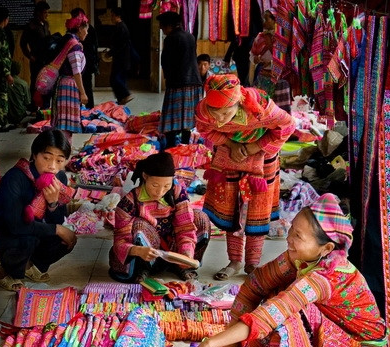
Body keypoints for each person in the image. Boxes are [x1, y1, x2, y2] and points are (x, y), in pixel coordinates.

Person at [181, 194, 390, 347]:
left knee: (288, 314)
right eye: (292, 230)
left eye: (298, 236)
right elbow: (255, 284)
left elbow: (273, 313)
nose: (289, 238)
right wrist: (230, 338)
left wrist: (211, 343)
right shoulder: (302, 258)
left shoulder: (327, 277)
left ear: (326, 248)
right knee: (277, 293)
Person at [195, 74, 294, 279]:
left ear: (239, 102)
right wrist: (231, 145)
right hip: (230, 156)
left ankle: (252, 263)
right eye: (215, 113)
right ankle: (235, 261)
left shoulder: (262, 107)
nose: (219, 119)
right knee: (231, 207)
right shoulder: (204, 111)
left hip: (262, 158)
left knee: (257, 209)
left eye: (225, 113)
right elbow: (204, 129)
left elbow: (287, 126)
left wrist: (255, 147)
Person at [0, 129, 77, 291]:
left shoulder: (59, 178)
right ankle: (6, 271)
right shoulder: (15, 178)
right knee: (27, 239)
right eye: (46, 158)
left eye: (59, 160)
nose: (52, 166)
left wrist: (53, 203)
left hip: (34, 227)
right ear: (35, 155)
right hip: (7, 231)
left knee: (65, 240)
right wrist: (56, 229)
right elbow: (15, 225)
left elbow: (58, 220)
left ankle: (30, 265)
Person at [109, 152, 210, 282]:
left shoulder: (177, 192)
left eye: (166, 186)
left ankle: (182, 266)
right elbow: (120, 241)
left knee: (201, 217)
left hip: (172, 250)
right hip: (145, 254)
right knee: (140, 224)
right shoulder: (130, 201)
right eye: (155, 185)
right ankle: (143, 268)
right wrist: (138, 250)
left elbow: (185, 227)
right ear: (145, 176)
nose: (160, 192)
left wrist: (186, 253)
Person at [158, 11, 202, 148]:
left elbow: (166, 62)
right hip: (193, 81)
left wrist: (167, 79)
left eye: (162, 26)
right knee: (187, 118)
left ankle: (171, 147)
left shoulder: (171, 38)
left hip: (178, 83)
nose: (161, 29)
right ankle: (185, 146)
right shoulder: (190, 36)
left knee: (172, 117)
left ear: (169, 25)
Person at [51, 14, 89, 140]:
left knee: (63, 121)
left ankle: (63, 146)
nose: (87, 33)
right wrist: (83, 93)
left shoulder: (67, 41)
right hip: (69, 86)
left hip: (62, 83)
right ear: (80, 29)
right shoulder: (74, 46)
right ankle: (64, 146)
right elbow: (76, 71)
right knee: (66, 124)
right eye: (86, 29)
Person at [20, 1, 51, 104]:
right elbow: (23, 43)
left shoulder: (46, 24)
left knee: (46, 81)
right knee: (35, 82)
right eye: (45, 12)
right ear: (38, 12)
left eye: (47, 12)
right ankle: (33, 106)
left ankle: (44, 105)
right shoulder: (31, 26)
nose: (47, 15)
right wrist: (29, 56)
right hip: (36, 59)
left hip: (46, 59)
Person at [72, 7, 99, 108]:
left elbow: (95, 46)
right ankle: (81, 108)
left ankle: (89, 108)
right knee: (79, 86)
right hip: (77, 62)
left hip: (87, 62)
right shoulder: (72, 32)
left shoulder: (89, 29)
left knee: (87, 86)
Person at [109, 7, 133, 105]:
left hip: (121, 58)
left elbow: (119, 45)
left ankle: (126, 94)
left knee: (114, 79)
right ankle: (121, 99)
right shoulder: (119, 27)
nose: (111, 18)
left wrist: (110, 53)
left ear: (117, 16)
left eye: (112, 15)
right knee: (118, 79)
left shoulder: (121, 27)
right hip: (121, 58)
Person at [251, 10, 276, 96]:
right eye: (263, 19)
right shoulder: (259, 37)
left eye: (266, 19)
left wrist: (272, 63)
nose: (264, 22)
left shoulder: (281, 38)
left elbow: (285, 57)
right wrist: (256, 59)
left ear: (274, 20)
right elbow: (252, 55)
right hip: (262, 76)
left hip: (278, 77)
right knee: (261, 99)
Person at [7, 61, 32, 125]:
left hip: (7, 115)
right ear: (19, 71)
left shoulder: (4, 83)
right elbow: (27, 101)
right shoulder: (23, 84)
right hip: (20, 115)